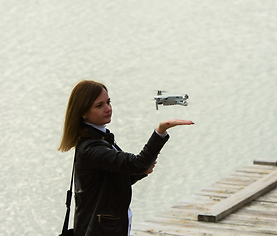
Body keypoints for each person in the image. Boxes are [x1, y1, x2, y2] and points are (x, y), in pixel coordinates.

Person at [58, 80, 194, 236]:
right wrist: (161, 131)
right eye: (99, 105)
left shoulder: (102, 139)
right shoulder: (92, 148)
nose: (108, 108)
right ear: (83, 112)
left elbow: (114, 180)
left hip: (111, 226)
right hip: (102, 230)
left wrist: (140, 172)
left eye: (108, 102)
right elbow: (137, 163)